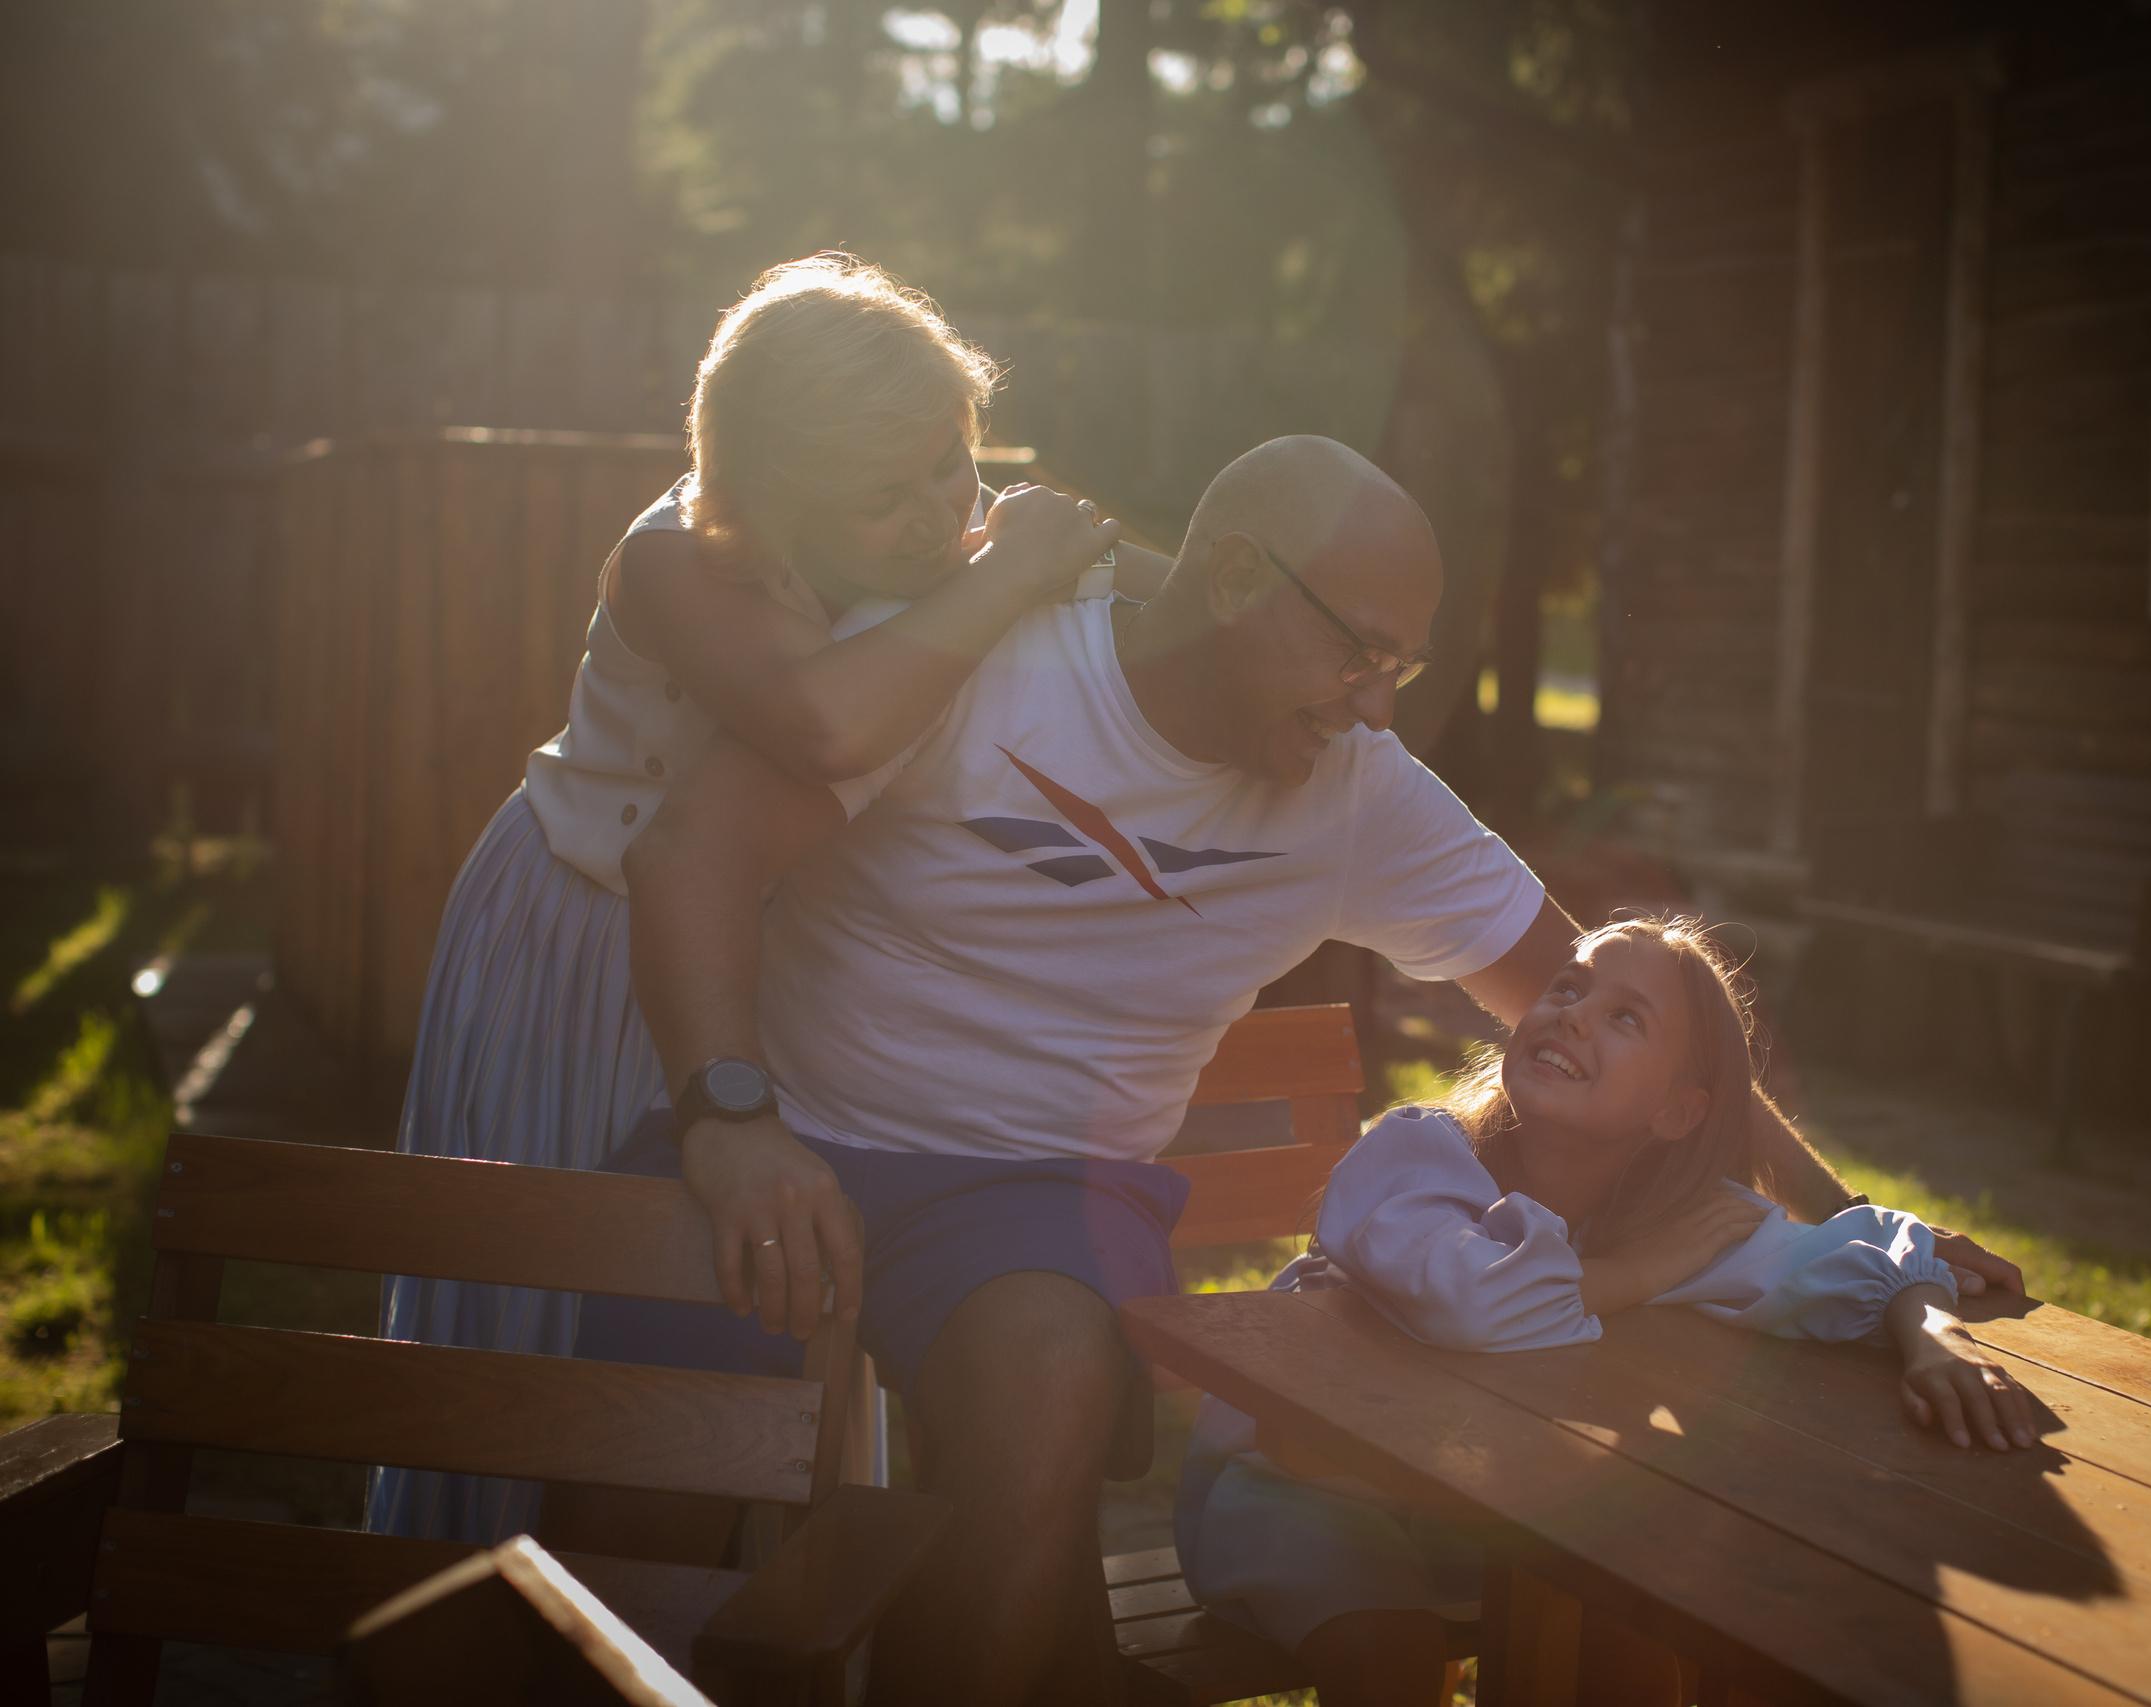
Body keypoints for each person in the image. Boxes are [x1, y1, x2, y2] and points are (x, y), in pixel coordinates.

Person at [571, 436, 2017, 1705]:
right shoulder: (979, 653)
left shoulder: (1358, 795)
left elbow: (1651, 1023)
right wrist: (733, 1117)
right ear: (1235, 574)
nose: (1376, 704)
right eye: (1358, 650)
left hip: (1038, 1193)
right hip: (787, 1126)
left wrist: (1839, 1212)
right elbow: (693, 853)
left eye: (1403, 665)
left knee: (1049, 1372)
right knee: (643, 1486)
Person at [369, 252, 1144, 1544]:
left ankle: (747, 1626)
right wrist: (1004, 575)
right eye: (883, 496)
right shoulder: (677, 557)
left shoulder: (934, 528)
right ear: (766, 504)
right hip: (581, 935)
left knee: (750, 1297)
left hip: (756, 957)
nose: (939, 510)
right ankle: (486, 1606)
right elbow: (818, 723)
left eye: (953, 463)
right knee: (557, 1302)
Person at [1175, 915, 2039, 1707]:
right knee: (1392, 1660)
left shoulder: (1669, 1221)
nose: (1576, 1013)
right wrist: (1638, 1272)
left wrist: (1934, 1333)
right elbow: (1471, 1301)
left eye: (1627, 1017)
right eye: (1569, 986)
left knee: (1663, 1618)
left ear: (1678, 1111)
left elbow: (1861, 1248)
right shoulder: (1417, 1157)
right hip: (1293, 1490)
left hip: (1485, 1514)